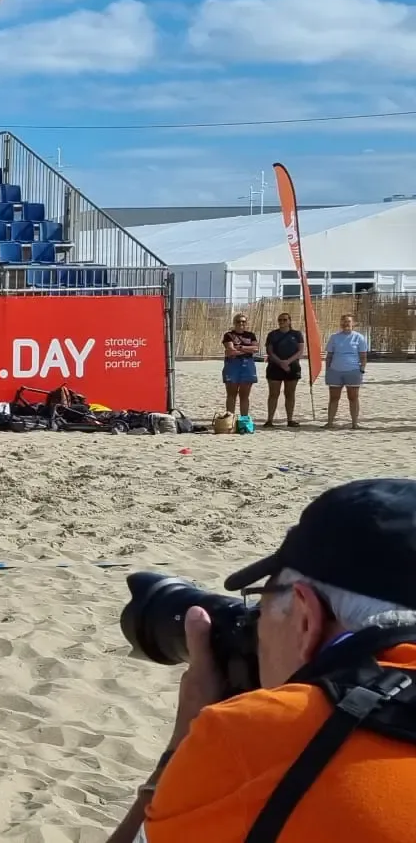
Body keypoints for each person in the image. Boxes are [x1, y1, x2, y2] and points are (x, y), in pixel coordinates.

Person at [104, 479, 416, 843]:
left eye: (261, 605)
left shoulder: (249, 737)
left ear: (306, 618)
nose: (257, 628)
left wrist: (183, 740)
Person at [324, 314, 368, 429]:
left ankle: (354, 423)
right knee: (334, 398)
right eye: (343, 321)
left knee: (353, 397)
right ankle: (330, 422)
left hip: (353, 371)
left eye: (348, 321)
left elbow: (363, 356)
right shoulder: (334, 337)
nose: (345, 324)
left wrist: (362, 369)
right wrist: (327, 370)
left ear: (353, 323)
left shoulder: (359, 337)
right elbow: (329, 356)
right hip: (335, 371)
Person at [263, 312, 305, 428]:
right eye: (280, 320)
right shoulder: (272, 334)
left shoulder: (297, 334)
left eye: (284, 320)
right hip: (275, 366)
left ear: (289, 321)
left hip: (292, 366)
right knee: (273, 394)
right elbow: (270, 351)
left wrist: (287, 362)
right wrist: (280, 362)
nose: (282, 322)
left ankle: (290, 419)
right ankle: (269, 420)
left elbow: (300, 351)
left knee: (290, 394)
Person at [222, 315, 260, 417]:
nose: (241, 323)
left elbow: (256, 349)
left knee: (244, 395)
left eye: (243, 321)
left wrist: (240, 347)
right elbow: (231, 351)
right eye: (238, 321)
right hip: (233, 365)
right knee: (231, 394)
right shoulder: (229, 335)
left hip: (247, 365)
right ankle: (230, 419)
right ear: (234, 322)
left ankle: (244, 419)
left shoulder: (250, 335)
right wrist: (248, 350)